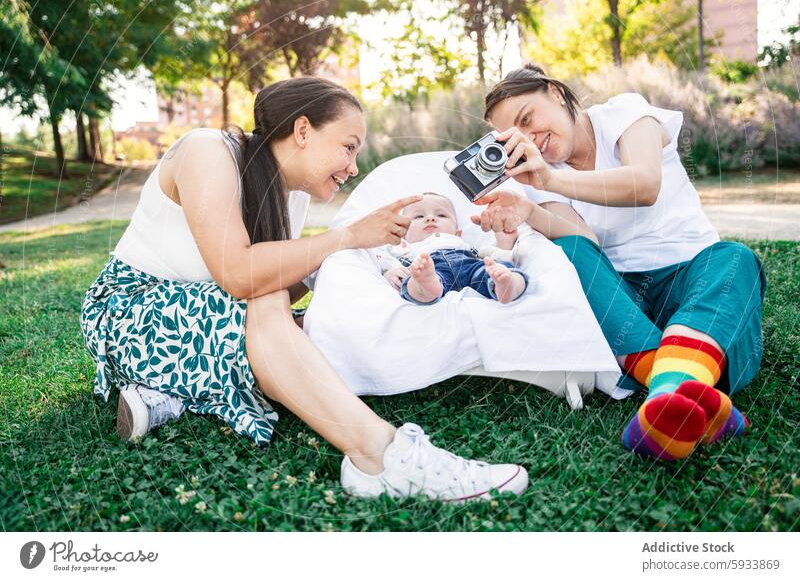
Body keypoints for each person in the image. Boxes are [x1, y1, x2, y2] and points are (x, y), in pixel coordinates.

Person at [79, 76, 529, 500]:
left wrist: (370, 265)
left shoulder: (288, 193)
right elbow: (241, 275)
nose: (353, 167)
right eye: (348, 148)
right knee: (277, 310)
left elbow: (283, 285)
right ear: (302, 131)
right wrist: (348, 238)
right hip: (131, 312)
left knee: (312, 327)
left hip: (205, 317)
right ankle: (380, 453)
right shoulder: (207, 151)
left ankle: (169, 394)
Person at [474, 64, 764, 461]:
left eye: (528, 118)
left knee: (735, 259)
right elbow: (584, 243)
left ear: (556, 94)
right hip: (628, 309)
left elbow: (644, 185)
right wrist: (526, 209)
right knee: (569, 254)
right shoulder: (538, 178)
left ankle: (666, 391)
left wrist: (549, 181)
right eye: (514, 136)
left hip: (694, 279)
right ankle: (682, 387)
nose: (530, 138)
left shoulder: (624, 114)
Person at [377, 193, 528, 304]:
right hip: (432, 271)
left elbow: (490, 255)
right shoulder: (403, 247)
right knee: (412, 281)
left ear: (458, 233)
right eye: (418, 217)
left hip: (470, 267)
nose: (430, 218)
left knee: (494, 269)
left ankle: (507, 285)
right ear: (405, 235)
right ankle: (426, 287)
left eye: (441, 215)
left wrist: (504, 243)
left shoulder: (461, 243)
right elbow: (381, 257)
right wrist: (390, 271)